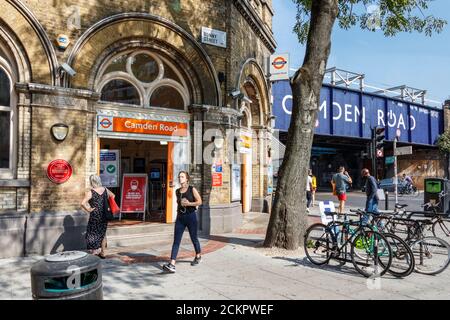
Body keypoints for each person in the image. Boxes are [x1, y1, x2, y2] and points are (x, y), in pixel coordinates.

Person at [163, 171, 202, 273]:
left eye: (182, 177)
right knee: (176, 241)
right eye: (179, 177)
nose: (180, 178)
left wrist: (189, 204)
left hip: (191, 217)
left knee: (194, 238)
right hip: (180, 217)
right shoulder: (177, 191)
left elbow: (199, 201)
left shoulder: (191, 189)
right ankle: (172, 264)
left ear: (187, 179)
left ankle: (198, 255)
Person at [80, 175, 115, 258]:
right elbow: (113, 196)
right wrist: (106, 204)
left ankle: (94, 252)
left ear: (91, 181)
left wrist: (88, 209)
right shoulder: (105, 189)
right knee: (103, 233)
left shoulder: (91, 192)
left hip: (95, 215)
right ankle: (103, 253)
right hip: (104, 214)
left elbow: (82, 203)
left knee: (92, 233)